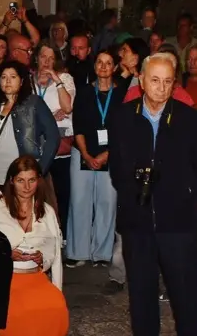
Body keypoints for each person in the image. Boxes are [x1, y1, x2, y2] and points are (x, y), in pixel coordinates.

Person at [107, 52, 197, 336]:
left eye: (167, 81)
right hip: (137, 222)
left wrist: (181, 194)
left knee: (185, 298)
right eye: (154, 80)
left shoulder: (189, 119)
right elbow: (117, 169)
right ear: (141, 80)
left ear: (174, 84)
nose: (161, 88)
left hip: (178, 223)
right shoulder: (123, 118)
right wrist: (135, 195)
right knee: (141, 299)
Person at [0, 156, 69, 336]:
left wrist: (42, 259)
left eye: (31, 180)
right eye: (20, 181)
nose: (26, 187)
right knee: (16, 311)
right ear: (11, 181)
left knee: (56, 305)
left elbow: (53, 252)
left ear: (39, 181)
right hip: (5, 279)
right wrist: (6, 254)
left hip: (35, 277)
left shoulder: (47, 211)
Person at [68, 48, 118, 268]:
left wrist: (107, 154)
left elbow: (124, 130)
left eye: (108, 63)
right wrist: (87, 154)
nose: (104, 67)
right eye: (100, 62)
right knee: (80, 202)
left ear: (115, 67)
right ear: (94, 66)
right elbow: (77, 125)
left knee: (107, 203)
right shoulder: (84, 92)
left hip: (112, 154)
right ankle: (79, 252)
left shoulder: (122, 94)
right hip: (82, 152)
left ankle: (102, 253)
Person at [0, 60, 59, 187]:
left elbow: (53, 136)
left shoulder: (33, 103)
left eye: (13, 77)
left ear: (21, 82)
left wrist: (40, 170)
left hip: (23, 174)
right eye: (3, 77)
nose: (8, 81)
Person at [30, 43, 76, 235]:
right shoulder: (28, 81)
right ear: (36, 58)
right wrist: (49, 115)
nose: (47, 62)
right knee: (39, 192)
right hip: (36, 144)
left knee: (62, 192)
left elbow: (67, 108)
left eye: (51, 58)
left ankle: (63, 232)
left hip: (61, 145)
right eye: (43, 57)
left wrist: (56, 80)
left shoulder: (65, 78)